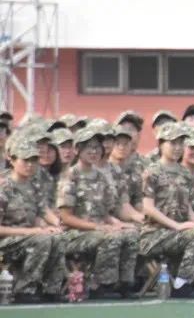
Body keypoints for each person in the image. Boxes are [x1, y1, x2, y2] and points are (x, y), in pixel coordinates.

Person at [140, 122, 194, 298]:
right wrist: (177, 225)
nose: (177, 148)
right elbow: (148, 208)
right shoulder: (152, 172)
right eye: (172, 143)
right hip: (155, 233)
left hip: (177, 231)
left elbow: (186, 204)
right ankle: (182, 283)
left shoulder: (183, 172)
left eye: (180, 143)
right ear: (161, 144)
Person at [56, 128, 140, 298]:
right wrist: (97, 227)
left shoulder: (101, 177)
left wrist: (119, 224)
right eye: (89, 147)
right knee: (111, 238)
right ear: (78, 150)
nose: (94, 151)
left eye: (97, 147)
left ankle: (124, 283)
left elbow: (105, 213)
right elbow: (65, 217)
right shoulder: (70, 176)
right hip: (75, 233)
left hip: (98, 229)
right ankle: (102, 285)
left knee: (131, 234)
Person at [0, 138, 67, 302]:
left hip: (26, 237)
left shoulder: (33, 185)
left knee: (57, 237)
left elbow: (42, 211)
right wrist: (33, 231)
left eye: (34, 160)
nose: (30, 165)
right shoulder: (4, 188)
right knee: (41, 240)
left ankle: (52, 288)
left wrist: (56, 225)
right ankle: (25, 289)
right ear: (12, 160)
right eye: (25, 160)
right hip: (6, 240)